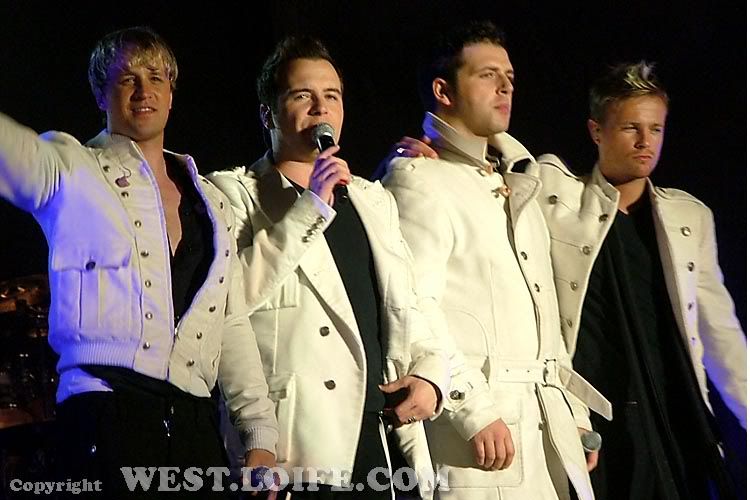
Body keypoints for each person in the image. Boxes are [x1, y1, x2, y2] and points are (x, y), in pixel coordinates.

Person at [0, 26, 278, 497]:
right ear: (100, 94)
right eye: (127, 79)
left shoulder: (211, 201)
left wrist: (259, 433)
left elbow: (227, 320)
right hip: (103, 410)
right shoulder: (72, 168)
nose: (143, 90)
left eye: (155, 78)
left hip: (192, 422)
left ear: (171, 92)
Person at [208, 36, 449, 499]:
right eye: (303, 95)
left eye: (332, 96)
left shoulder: (371, 199)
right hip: (300, 444)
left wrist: (432, 375)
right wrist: (310, 207)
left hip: (382, 436)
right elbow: (229, 302)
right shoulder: (232, 193)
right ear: (268, 114)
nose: (321, 108)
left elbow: (413, 302)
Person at [380, 20, 609, 500]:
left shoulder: (517, 181)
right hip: (482, 442)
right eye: (487, 75)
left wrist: (572, 412)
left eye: (509, 77)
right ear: (443, 90)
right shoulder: (419, 178)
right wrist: (473, 410)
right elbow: (414, 306)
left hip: (546, 430)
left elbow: (545, 315)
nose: (505, 86)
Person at [531, 61, 747, 499]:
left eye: (656, 128)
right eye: (631, 127)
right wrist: (428, 149)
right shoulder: (557, 199)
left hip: (674, 410)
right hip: (598, 411)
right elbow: (497, 171)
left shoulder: (687, 216)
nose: (646, 141)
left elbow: (720, 331)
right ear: (596, 131)